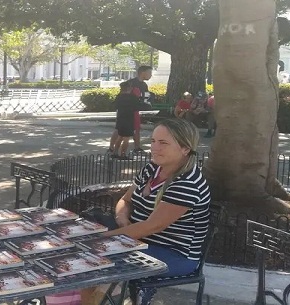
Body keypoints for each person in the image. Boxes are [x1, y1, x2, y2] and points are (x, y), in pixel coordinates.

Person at [83, 118, 210, 305]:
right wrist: (122, 218)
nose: (155, 148)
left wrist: (103, 239)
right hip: (138, 242)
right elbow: (125, 200)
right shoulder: (152, 168)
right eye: (153, 141)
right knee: (85, 260)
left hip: (174, 254)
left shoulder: (187, 183)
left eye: (163, 143)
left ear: (185, 149)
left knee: (93, 262)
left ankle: (125, 297)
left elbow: (151, 227)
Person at [108, 66, 153, 154]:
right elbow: (122, 95)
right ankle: (112, 148)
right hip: (126, 111)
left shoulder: (144, 85)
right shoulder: (130, 83)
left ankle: (137, 147)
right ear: (143, 72)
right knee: (120, 130)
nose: (151, 75)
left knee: (136, 128)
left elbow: (145, 96)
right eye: (149, 73)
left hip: (135, 110)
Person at [111, 81, 151, 159]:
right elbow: (138, 107)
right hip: (129, 119)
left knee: (120, 136)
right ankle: (123, 154)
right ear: (128, 88)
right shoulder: (133, 98)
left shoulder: (119, 97)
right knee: (126, 138)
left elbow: (114, 106)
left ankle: (115, 152)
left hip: (120, 118)